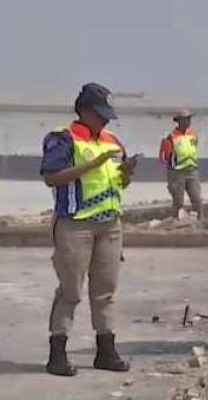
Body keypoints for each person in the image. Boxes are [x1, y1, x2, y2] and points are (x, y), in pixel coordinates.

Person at [41, 83, 136, 376]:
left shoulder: (112, 141)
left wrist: (126, 173)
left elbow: (118, 184)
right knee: (70, 290)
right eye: (100, 114)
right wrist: (93, 164)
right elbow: (51, 177)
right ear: (83, 111)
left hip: (109, 224)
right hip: (75, 224)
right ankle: (57, 354)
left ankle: (106, 351)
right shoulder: (63, 139)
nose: (106, 120)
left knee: (105, 290)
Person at [158, 109, 203, 219]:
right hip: (177, 172)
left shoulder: (193, 134)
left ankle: (199, 221)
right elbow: (163, 155)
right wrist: (172, 164)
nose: (187, 122)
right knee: (178, 201)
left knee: (197, 199)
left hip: (192, 170)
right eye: (185, 119)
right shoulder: (171, 136)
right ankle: (177, 222)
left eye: (189, 119)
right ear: (179, 121)